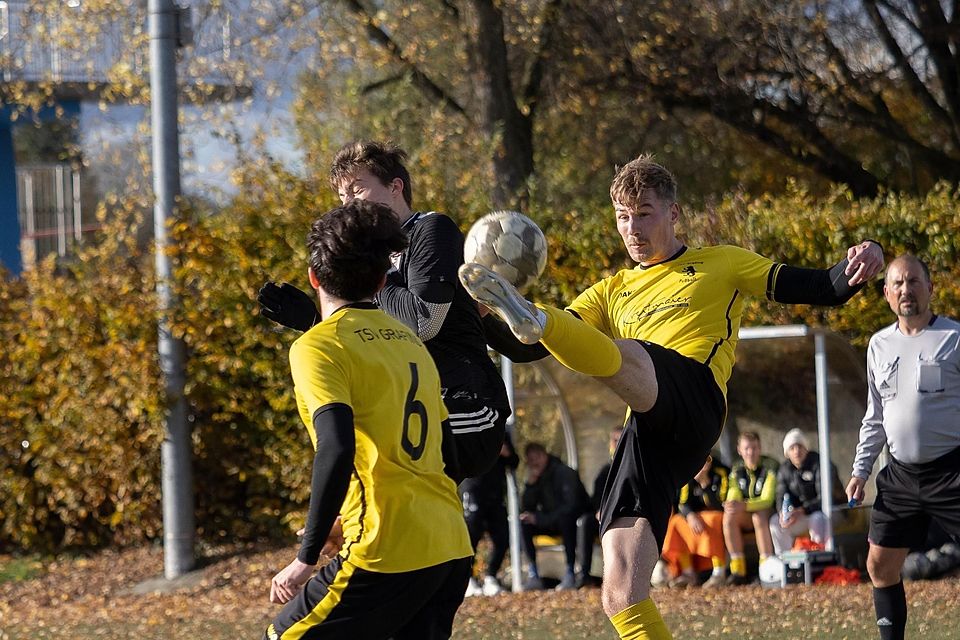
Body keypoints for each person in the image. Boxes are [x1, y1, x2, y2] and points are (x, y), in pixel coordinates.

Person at [458, 153, 883, 638]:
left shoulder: (721, 262)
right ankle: (537, 315)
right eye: (623, 216)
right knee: (620, 590)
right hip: (646, 429)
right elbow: (526, 347)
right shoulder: (610, 291)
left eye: (644, 213)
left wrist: (861, 256)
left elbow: (822, 286)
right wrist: (481, 316)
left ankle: (540, 315)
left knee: (631, 352)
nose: (632, 227)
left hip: (696, 398)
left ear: (673, 213)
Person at [264, 200, 472, 640]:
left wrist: (306, 556)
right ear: (382, 281)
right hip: (449, 542)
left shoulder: (316, 346)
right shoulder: (412, 344)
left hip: (384, 547)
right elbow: (448, 454)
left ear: (313, 278)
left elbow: (337, 446)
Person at [258, 140, 510, 483]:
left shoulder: (430, 229)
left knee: (373, 455)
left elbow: (424, 322)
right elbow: (369, 343)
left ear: (395, 188)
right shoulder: (370, 260)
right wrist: (314, 322)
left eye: (357, 189)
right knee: (364, 462)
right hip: (415, 403)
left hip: (468, 406)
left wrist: (374, 274)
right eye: (342, 196)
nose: (348, 203)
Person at [845, 254, 960, 640]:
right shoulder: (878, 345)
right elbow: (875, 416)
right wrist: (861, 471)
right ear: (886, 294)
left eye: (913, 282)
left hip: (952, 471)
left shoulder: (954, 338)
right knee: (879, 566)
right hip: (900, 477)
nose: (906, 290)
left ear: (929, 288)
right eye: (897, 284)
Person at [519, 442, 591, 591]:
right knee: (524, 523)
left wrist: (540, 519)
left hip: (572, 521)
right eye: (530, 460)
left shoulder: (564, 472)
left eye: (537, 457)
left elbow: (570, 507)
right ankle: (533, 573)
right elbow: (527, 507)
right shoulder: (537, 476)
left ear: (545, 455)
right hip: (552, 521)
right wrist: (531, 485)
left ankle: (570, 571)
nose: (535, 463)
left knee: (567, 521)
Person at [769, 428, 845, 555]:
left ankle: (819, 557)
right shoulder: (785, 469)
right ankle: (785, 560)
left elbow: (826, 499)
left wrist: (802, 510)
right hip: (802, 514)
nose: (797, 451)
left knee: (817, 518)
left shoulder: (821, 464)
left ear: (806, 448)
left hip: (831, 511)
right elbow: (781, 495)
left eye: (800, 446)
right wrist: (784, 513)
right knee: (775, 522)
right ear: (787, 453)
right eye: (792, 448)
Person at [461, 433, 519, 597]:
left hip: (495, 494)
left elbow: (514, 462)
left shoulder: (501, 430)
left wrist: (506, 453)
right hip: (473, 490)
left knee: (502, 538)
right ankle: (468, 579)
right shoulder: (466, 425)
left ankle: (490, 576)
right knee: (471, 538)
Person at [663, 454, 729, 588]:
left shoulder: (720, 472)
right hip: (696, 515)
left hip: (715, 514)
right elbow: (683, 503)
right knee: (676, 522)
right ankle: (688, 572)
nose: (703, 464)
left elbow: (719, 504)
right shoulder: (689, 473)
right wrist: (690, 515)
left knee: (712, 521)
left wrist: (705, 484)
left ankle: (719, 572)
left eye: (707, 460)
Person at [722, 431, 778, 585]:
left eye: (754, 448)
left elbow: (768, 499)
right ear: (740, 450)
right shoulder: (737, 468)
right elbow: (733, 491)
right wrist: (732, 503)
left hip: (768, 512)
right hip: (746, 512)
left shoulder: (770, 465)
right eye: (747, 448)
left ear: (760, 448)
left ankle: (765, 570)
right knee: (729, 517)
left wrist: (745, 505)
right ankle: (738, 571)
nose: (751, 452)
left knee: (758, 516)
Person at [578, 426, 624, 588]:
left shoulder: (634, 468)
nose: (617, 444)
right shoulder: (605, 471)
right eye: (615, 441)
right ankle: (584, 574)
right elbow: (597, 497)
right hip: (605, 517)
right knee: (585, 522)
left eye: (621, 440)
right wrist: (600, 510)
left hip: (626, 517)